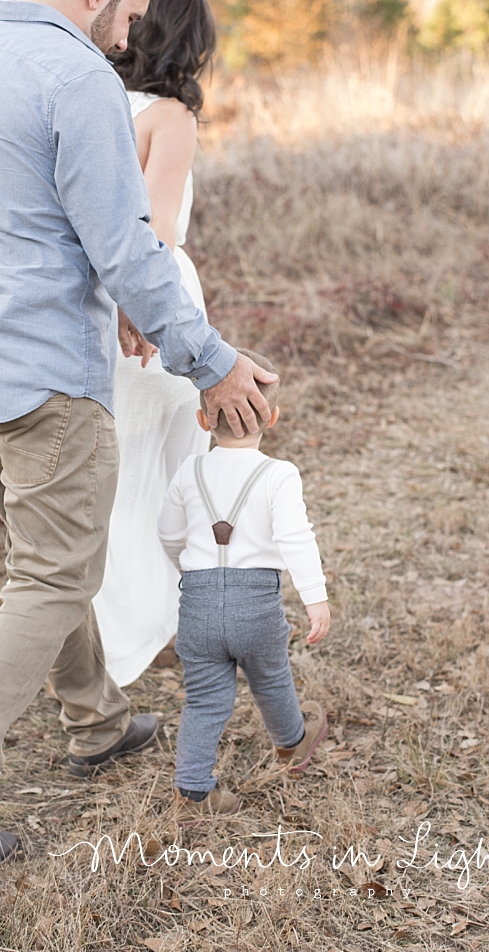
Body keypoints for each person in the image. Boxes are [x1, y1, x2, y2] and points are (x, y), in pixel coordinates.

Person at [0, 0, 277, 871]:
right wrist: (214, 360)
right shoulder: (77, 77)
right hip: (44, 378)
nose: (128, 42)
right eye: (131, 16)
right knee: (53, 575)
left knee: (44, 559)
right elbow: (128, 249)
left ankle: (98, 721)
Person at [93, 0, 216, 686]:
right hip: (151, 306)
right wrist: (149, 312)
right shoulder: (169, 117)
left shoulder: (96, 100)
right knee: (166, 482)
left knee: (115, 483)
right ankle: (146, 638)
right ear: (189, 45)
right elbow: (158, 229)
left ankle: (116, 643)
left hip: (93, 308)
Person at [157, 349, 331, 827]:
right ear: (272, 417)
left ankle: (192, 791)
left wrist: (188, 570)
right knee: (271, 677)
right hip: (257, 606)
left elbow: (169, 533)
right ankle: (291, 741)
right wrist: (315, 597)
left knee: (205, 699)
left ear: (201, 419)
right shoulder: (279, 474)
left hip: (197, 604)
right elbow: (296, 537)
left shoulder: (188, 471)